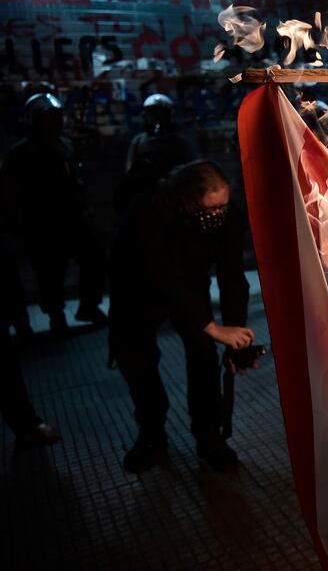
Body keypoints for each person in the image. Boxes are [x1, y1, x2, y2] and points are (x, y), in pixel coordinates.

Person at [109, 161, 253, 472]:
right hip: (137, 287)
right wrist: (212, 327)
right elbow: (160, 275)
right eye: (210, 209)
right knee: (137, 360)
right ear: (188, 201)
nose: (218, 215)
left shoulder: (229, 216)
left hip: (189, 281)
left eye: (223, 207)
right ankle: (151, 431)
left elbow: (232, 277)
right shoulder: (150, 212)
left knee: (203, 353)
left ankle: (208, 436)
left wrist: (235, 337)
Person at [0, 93, 106, 335]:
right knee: (50, 272)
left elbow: (76, 180)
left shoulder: (65, 144)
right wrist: (17, 223)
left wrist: (84, 207)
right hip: (42, 222)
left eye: (57, 117)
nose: (56, 122)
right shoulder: (21, 152)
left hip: (72, 218)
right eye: (50, 118)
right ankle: (56, 314)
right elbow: (10, 190)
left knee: (94, 258)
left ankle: (89, 306)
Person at [116, 93, 198, 214]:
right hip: (146, 195)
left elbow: (193, 167)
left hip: (175, 193)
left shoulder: (180, 141)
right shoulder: (139, 141)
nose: (158, 118)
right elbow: (130, 170)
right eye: (153, 113)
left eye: (162, 114)